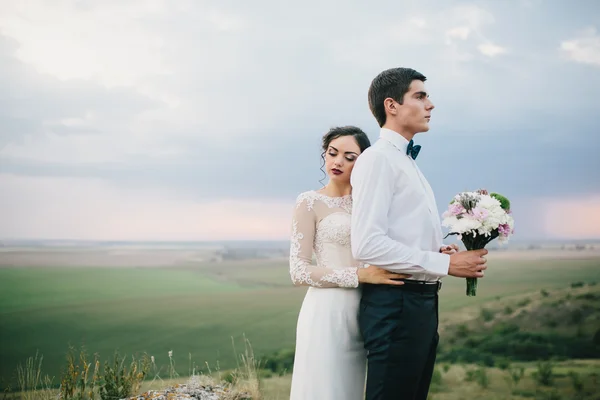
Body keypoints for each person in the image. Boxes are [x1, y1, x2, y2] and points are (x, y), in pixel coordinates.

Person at [350, 67, 489, 400]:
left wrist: (437, 251)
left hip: (420, 303)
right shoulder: (377, 160)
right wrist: (445, 266)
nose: (431, 105)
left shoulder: (406, 161)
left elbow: (399, 231)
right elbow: (367, 244)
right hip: (396, 305)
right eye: (420, 95)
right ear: (392, 105)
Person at [288, 126, 412, 400]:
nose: (337, 162)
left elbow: (395, 242)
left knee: (354, 389)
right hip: (327, 311)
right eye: (332, 153)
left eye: (349, 156)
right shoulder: (310, 202)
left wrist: (438, 249)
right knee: (327, 388)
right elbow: (298, 271)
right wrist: (360, 276)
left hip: (370, 308)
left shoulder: (371, 202)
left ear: (363, 161)